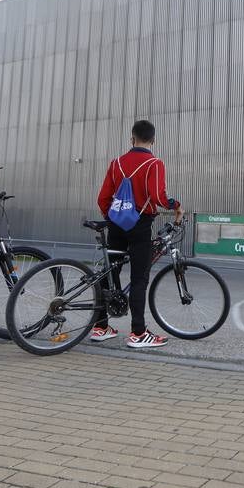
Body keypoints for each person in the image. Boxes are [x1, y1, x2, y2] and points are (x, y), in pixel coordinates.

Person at [92, 119, 183, 349]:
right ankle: (138, 333)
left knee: (110, 273)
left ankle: (100, 326)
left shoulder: (116, 163)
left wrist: (113, 216)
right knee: (139, 277)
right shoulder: (155, 163)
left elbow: (103, 198)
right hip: (140, 225)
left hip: (115, 224)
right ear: (153, 140)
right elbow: (158, 197)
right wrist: (176, 206)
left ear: (131, 138)